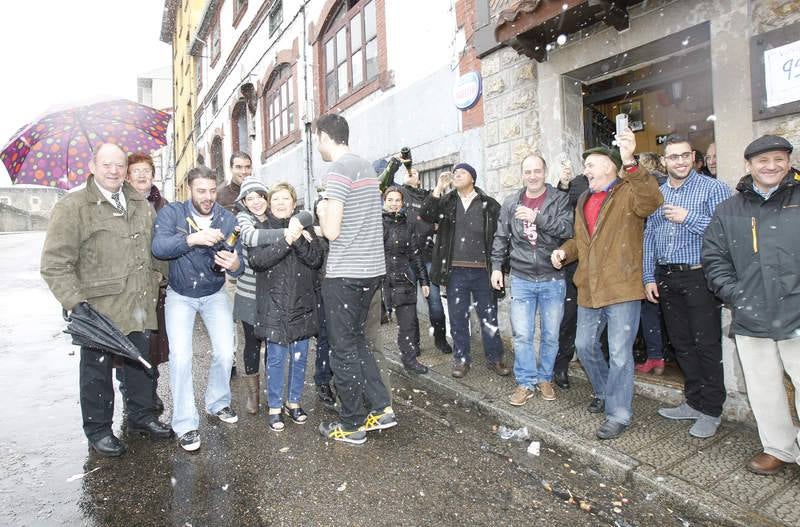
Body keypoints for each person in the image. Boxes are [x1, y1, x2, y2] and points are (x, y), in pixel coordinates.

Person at [41, 143, 172, 457]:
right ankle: (98, 430)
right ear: (93, 166)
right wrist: (76, 304)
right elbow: (55, 262)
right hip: (99, 309)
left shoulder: (140, 203)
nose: (114, 171)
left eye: (119, 165)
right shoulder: (74, 206)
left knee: (141, 364)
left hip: (140, 301)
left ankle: (142, 415)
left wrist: (160, 277)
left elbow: (156, 248)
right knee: (96, 372)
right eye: (107, 165)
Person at [551, 128, 663, 440]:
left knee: (620, 353)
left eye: (590, 165)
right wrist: (565, 251)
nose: (584, 170)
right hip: (589, 286)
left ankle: (619, 413)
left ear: (609, 166)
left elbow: (652, 201)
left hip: (622, 287)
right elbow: (580, 239)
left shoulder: (629, 190)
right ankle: (603, 390)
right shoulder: (584, 198)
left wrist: (632, 163)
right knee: (585, 346)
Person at [703, 135, 800, 475]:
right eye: (763, 161)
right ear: (749, 166)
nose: (771, 166)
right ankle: (779, 449)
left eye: (778, 159)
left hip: (797, 313)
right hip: (751, 314)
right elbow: (714, 258)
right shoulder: (729, 210)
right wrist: (736, 294)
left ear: (788, 162)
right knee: (764, 388)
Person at [643, 134, 732, 438]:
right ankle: (694, 401)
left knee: (705, 344)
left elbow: (727, 232)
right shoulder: (658, 193)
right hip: (667, 277)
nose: (679, 161)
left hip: (700, 276)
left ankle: (712, 409)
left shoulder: (714, 188)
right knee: (680, 343)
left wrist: (688, 217)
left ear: (693, 158)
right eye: (673, 157)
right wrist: (648, 276)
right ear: (664, 161)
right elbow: (649, 238)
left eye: (684, 156)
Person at [314, 113, 395, 445]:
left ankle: (351, 425)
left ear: (324, 137)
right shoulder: (365, 167)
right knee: (360, 343)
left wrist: (320, 209)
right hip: (371, 271)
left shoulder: (338, 170)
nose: (317, 144)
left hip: (345, 273)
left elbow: (332, 230)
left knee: (343, 349)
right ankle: (381, 408)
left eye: (317, 138)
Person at [151, 165, 244, 452]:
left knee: (226, 351)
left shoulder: (226, 218)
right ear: (189, 189)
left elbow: (238, 265)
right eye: (201, 190)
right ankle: (186, 424)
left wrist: (235, 265)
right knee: (180, 357)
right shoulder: (173, 213)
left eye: (212, 190)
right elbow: (159, 248)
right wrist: (191, 239)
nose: (207, 197)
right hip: (180, 294)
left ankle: (217, 402)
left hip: (214, 292)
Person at [491, 155, 573, 405]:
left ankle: (544, 378)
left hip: (552, 278)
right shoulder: (511, 202)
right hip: (522, 277)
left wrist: (536, 217)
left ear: (545, 172)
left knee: (550, 335)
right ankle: (525, 382)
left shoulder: (558, 198)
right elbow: (501, 236)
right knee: (523, 335)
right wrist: (496, 267)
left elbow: (567, 230)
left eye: (537, 171)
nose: (533, 176)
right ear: (522, 174)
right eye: (528, 171)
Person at [419, 163, 509, 379]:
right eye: (455, 173)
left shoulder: (489, 204)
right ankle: (461, 359)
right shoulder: (447, 202)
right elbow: (426, 215)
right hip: (455, 271)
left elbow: (501, 236)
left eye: (462, 172)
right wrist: (439, 187)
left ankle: (494, 358)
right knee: (458, 317)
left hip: (483, 272)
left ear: (473, 179)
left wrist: (500, 267)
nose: (457, 175)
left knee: (489, 317)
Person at [249, 183, 323, 432]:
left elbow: (315, 259)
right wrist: (287, 240)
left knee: (300, 358)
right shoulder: (262, 229)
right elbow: (258, 261)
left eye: (286, 199)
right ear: (270, 204)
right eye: (276, 199)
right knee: (277, 360)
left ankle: (294, 402)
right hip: (273, 304)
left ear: (294, 203)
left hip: (302, 304)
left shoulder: (306, 228)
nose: (281, 203)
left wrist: (298, 237)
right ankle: (274, 406)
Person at [378, 161, 453, 354]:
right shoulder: (400, 194)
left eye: (415, 173)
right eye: (409, 172)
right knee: (408, 306)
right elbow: (384, 184)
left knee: (435, 301)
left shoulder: (430, 195)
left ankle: (440, 337)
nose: (411, 174)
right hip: (404, 259)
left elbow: (437, 217)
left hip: (427, 257)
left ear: (419, 180)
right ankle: (414, 343)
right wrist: (397, 163)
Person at [233, 177, 290, 415]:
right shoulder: (243, 219)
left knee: (273, 344)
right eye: (250, 198)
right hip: (248, 292)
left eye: (259, 196)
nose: (256, 202)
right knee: (252, 344)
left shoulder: (274, 218)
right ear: (244, 202)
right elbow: (249, 237)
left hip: (272, 292)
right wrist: (288, 233)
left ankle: (272, 392)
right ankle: (253, 395)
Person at [123, 153, 170, 414]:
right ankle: (133, 399)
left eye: (146, 170)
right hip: (127, 290)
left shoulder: (162, 204)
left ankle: (150, 392)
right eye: (136, 171)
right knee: (127, 347)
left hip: (154, 287)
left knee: (153, 345)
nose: (142, 175)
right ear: (127, 176)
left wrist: (162, 274)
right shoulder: (119, 203)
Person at [382, 186, 431, 374]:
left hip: (403, 279)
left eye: (397, 200)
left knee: (408, 324)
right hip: (381, 280)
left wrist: (424, 281)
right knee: (372, 325)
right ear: (384, 201)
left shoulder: (408, 224)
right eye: (390, 200)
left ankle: (409, 360)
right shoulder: (376, 223)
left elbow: (415, 254)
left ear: (402, 203)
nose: (394, 204)